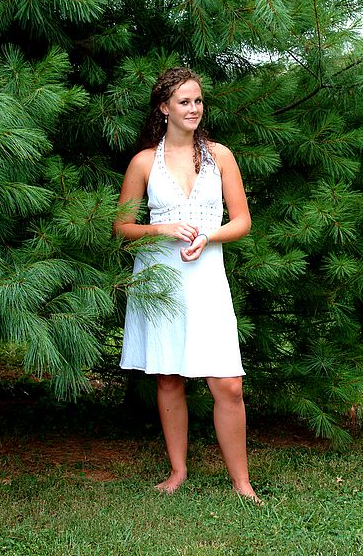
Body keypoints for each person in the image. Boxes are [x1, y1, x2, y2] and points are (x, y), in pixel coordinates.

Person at [114, 67, 260, 503]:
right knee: (168, 375)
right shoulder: (143, 162)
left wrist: (206, 235)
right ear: (164, 108)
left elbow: (243, 221)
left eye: (198, 101)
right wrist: (160, 229)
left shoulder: (221, 156)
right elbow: (121, 226)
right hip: (160, 280)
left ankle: (242, 483)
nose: (194, 109)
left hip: (207, 278)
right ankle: (178, 470)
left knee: (229, 383)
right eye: (184, 102)